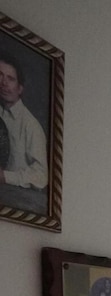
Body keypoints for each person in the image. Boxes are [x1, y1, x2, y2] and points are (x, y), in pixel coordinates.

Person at [0, 52, 48, 194]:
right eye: (0, 75)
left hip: (15, 199)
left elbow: (41, 176)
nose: (3, 82)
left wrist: (5, 177)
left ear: (20, 88)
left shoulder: (31, 126)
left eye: (10, 79)